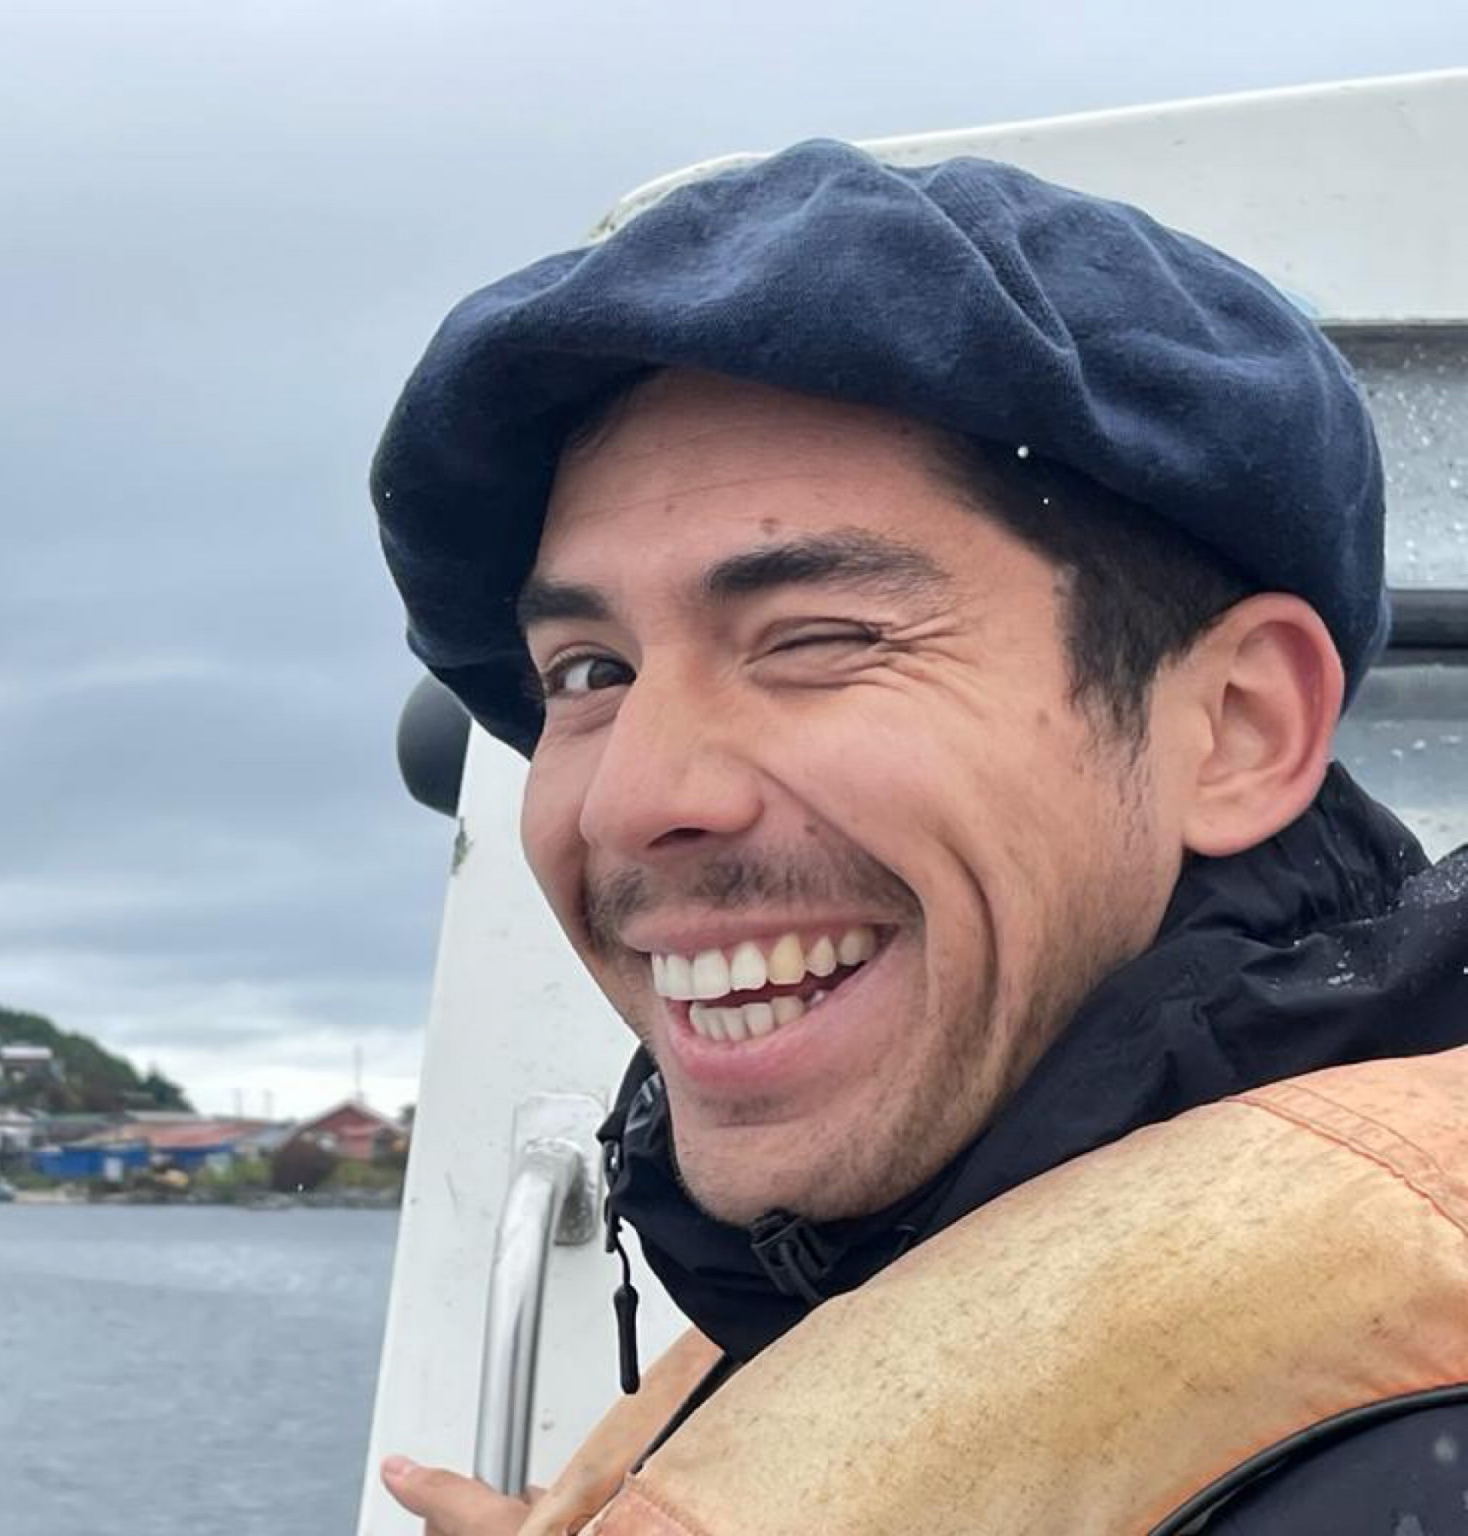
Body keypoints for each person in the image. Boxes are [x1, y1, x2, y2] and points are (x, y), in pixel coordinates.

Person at [366, 140, 1468, 1534]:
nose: (629, 799)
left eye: (817, 638)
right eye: (590, 672)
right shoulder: (877, 1251)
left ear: (1238, 728)